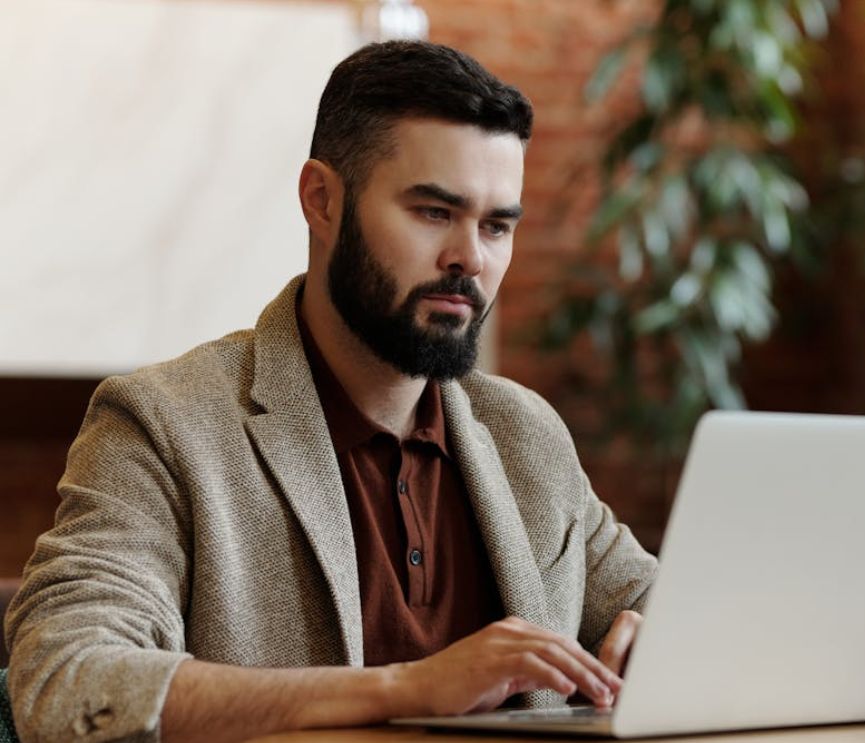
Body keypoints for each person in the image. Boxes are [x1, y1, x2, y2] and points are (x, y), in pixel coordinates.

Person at [3, 40, 657, 743]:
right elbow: (66, 679)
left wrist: (667, 639)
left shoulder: (525, 431)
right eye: (434, 211)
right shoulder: (164, 423)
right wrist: (408, 687)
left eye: (496, 225)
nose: (471, 256)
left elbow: (671, 606)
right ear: (322, 201)